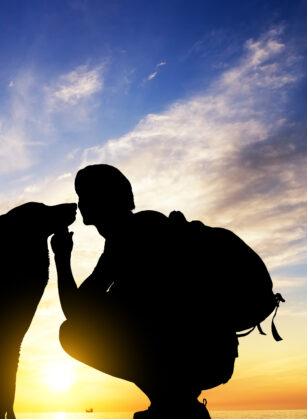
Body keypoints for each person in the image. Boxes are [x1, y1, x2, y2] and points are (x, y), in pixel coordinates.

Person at [51, 164, 237, 419]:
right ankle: (172, 401)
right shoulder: (138, 229)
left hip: (197, 354)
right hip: (213, 352)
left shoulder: (130, 235)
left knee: (73, 334)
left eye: (83, 196)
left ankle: (173, 404)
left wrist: (61, 258)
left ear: (101, 199)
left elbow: (76, 312)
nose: (79, 203)